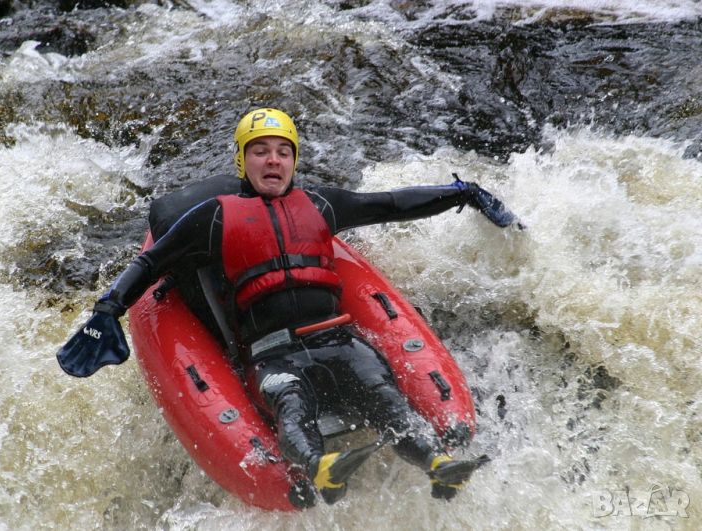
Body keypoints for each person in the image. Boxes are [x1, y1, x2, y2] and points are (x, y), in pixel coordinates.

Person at [58, 108, 517, 505]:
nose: (273, 160)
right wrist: (107, 308)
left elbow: (392, 204)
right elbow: (151, 261)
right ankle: (320, 467)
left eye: (283, 151)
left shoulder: (320, 204)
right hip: (274, 353)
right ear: (242, 160)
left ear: (294, 160)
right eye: (260, 151)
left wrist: (462, 193)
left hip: (339, 338)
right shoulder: (213, 217)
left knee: (385, 396)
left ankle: (437, 463)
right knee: (291, 404)